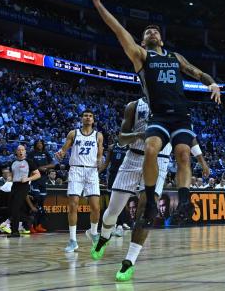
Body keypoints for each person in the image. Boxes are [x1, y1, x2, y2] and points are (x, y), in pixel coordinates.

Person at [86, 0, 221, 225]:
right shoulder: (141, 56)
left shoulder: (174, 57)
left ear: (161, 38)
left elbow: (197, 73)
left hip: (181, 114)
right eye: (147, 31)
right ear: (142, 39)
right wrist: (98, 4)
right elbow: (118, 30)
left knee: (182, 154)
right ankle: (149, 200)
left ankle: (184, 201)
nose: (152, 32)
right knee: (151, 149)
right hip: (159, 115)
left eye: (155, 31)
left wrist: (212, 83)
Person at [89, 98, 209, 281]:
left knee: (146, 210)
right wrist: (139, 135)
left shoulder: (178, 107)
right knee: (112, 212)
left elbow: (189, 138)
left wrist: (201, 160)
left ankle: (129, 261)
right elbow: (121, 139)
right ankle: (104, 237)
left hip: (159, 161)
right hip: (132, 159)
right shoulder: (133, 106)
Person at [55, 110, 104, 252]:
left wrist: (100, 160)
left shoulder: (98, 135)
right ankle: (72, 240)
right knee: (73, 205)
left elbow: (99, 153)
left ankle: (93, 232)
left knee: (96, 207)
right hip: (76, 169)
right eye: (85, 116)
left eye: (90, 116)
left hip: (91, 171)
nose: (88, 118)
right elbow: (64, 149)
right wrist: (61, 153)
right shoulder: (73, 133)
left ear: (93, 120)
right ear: (82, 119)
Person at [8, 145, 40, 238]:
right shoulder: (13, 162)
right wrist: (10, 177)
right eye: (19, 150)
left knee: (16, 207)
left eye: (22, 150)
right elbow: (11, 174)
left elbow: (38, 175)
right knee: (12, 207)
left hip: (24, 186)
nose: (21, 151)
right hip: (14, 185)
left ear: (25, 152)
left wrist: (27, 179)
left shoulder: (29, 162)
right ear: (16, 152)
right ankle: (19, 227)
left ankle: (15, 231)